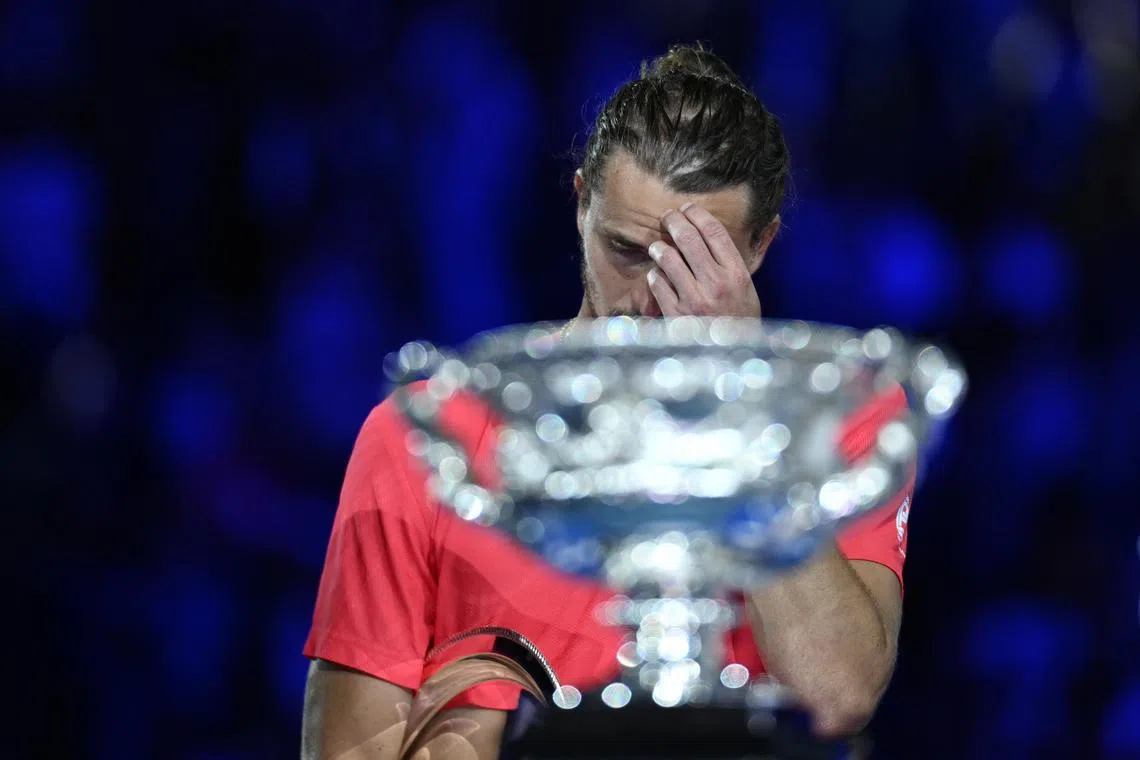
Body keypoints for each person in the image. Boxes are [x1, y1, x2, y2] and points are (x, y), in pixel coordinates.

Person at [300, 43, 913, 760]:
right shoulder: (427, 437)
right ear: (581, 201)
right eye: (625, 249)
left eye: (695, 264)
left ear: (759, 248)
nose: (652, 297)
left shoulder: (841, 419)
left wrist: (743, 411)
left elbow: (838, 695)